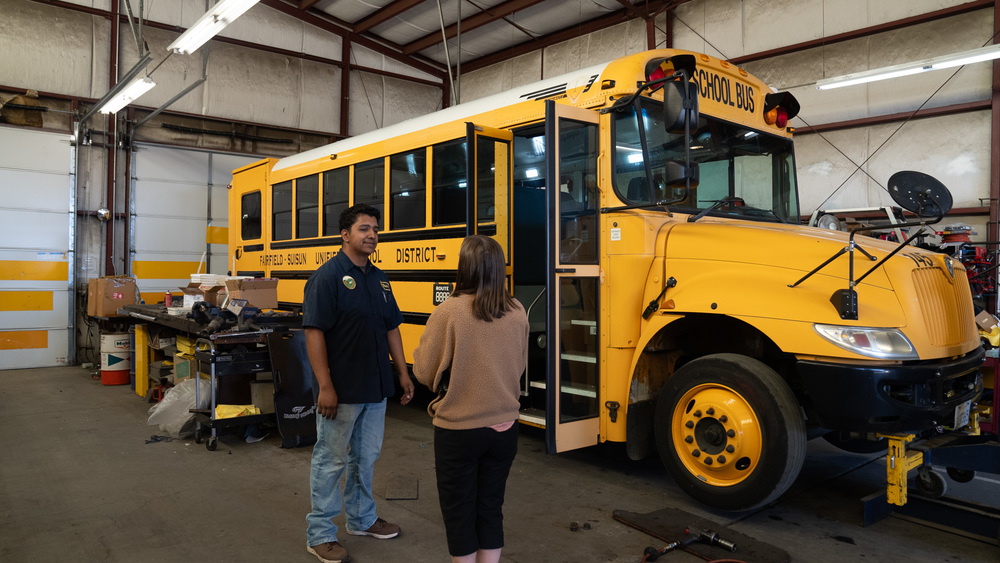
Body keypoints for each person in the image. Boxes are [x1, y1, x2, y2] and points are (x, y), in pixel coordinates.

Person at [302, 203, 415, 563]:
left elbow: (391, 327)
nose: (372, 235)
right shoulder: (328, 278)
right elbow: (314, 333)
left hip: (375, 388)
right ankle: (319, 533)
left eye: (375, 230)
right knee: (330, 460)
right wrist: (325, 386)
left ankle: (362, 519)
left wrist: (402, 372)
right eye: (364, 229)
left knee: (365, 458)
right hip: (342, 389)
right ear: (345, 235)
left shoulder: (379, 278)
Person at [412, 235, 529, 563]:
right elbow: (518, 365)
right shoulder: (517, 310)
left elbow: (423, 370)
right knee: (490, 509)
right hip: (506, 428)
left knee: (460, 514)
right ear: (498, 269)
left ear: (464, 268)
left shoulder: (449, 311)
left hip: (460, 431)